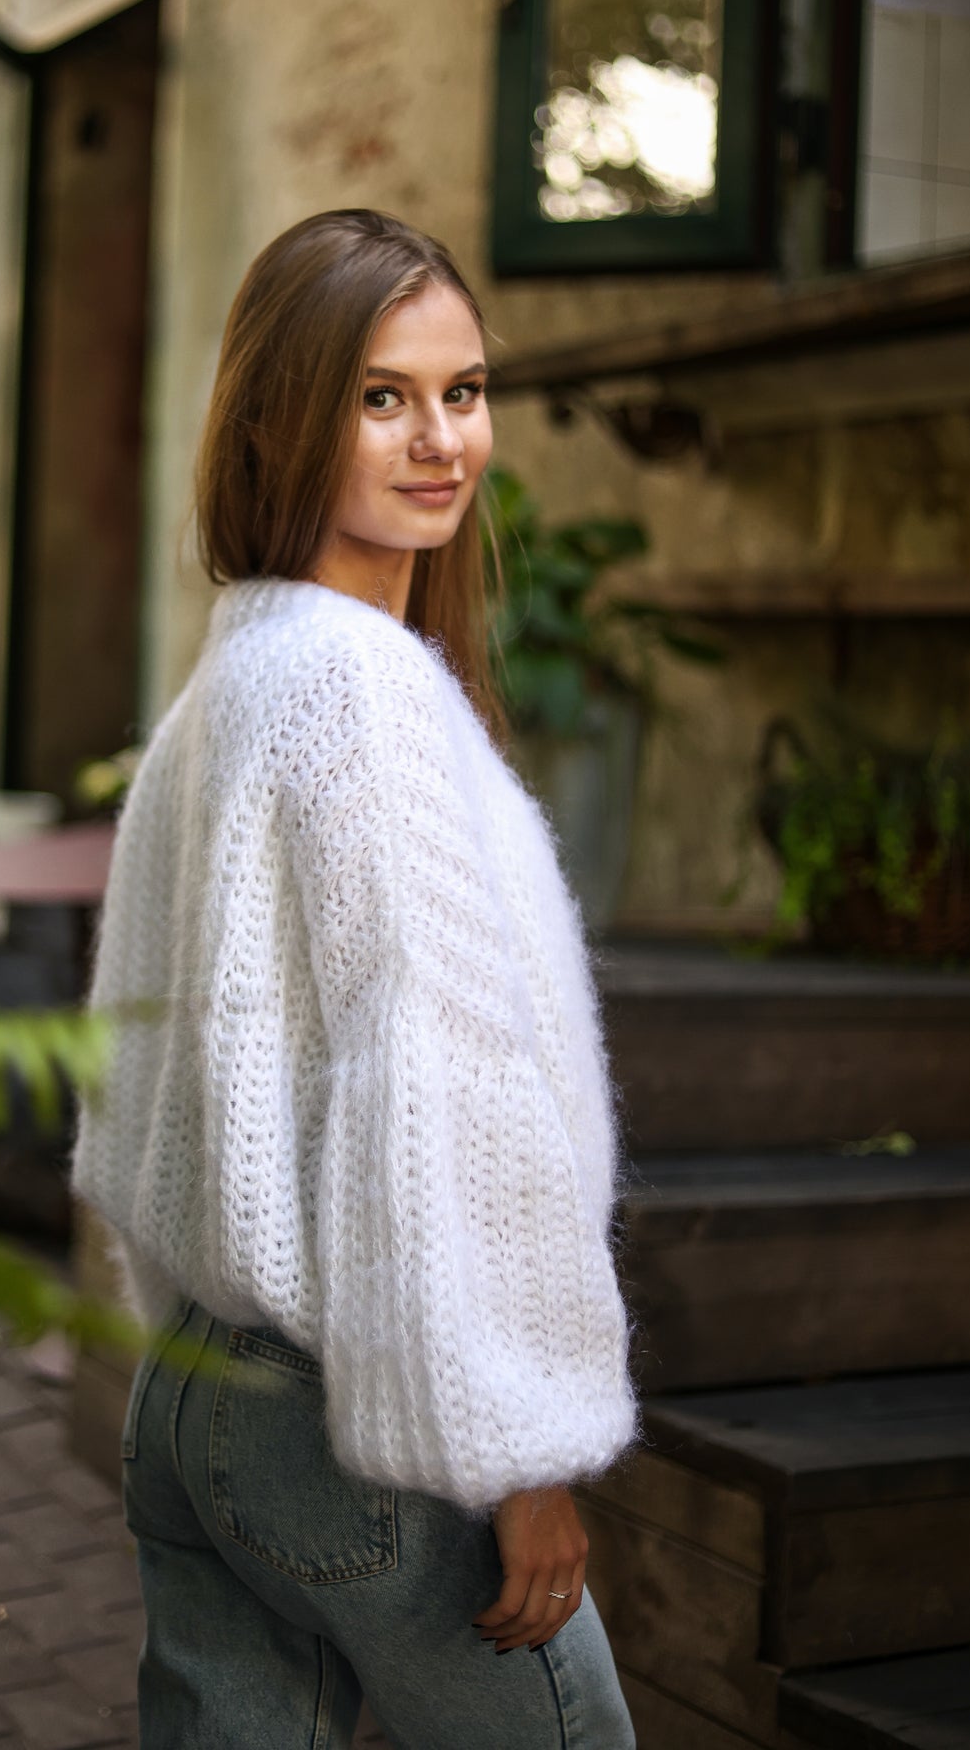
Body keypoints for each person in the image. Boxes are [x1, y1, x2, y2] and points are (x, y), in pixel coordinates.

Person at [72, 209, 637, 1749]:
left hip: (194, 1396)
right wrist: (520, 1461)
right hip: (356, 1425)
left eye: (461, 392)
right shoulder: (352, 697)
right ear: (281, 417)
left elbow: (147, 1071)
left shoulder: (227, 688)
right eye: (382, 396)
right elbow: (437, 1093)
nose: (439, 439)